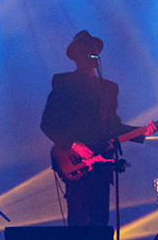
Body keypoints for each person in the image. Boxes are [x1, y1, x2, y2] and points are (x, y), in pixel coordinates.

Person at [41, 29, 126, 227]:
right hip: (75, 161)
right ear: (77, 56)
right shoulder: (64, 84)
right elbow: (47, 123)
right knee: (78, 222)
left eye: (93, 50)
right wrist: (73, 144)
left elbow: (114, 126)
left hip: (102, 163)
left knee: (100, 222)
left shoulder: (109, 88)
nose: (91, 54)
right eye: (86, 50)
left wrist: (147, 130)